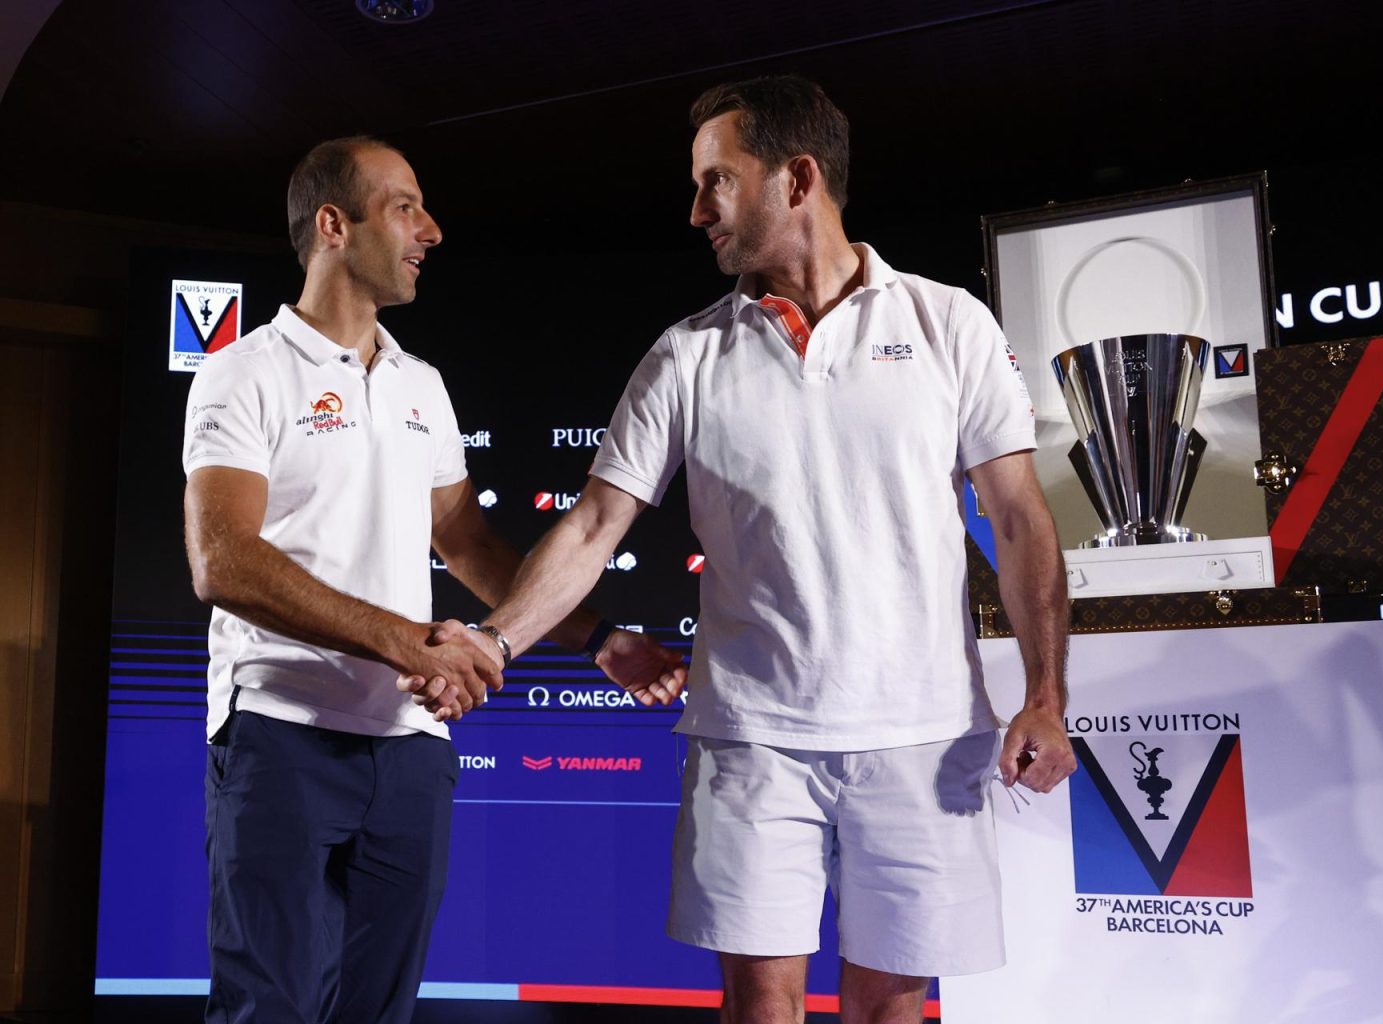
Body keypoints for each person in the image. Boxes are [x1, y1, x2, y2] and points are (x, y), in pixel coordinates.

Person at [407, 76, 1075, 1024]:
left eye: (716, 181)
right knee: (759, 1006)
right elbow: (596, 524)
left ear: (797, 178)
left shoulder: (948, 321)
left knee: (891, 1007)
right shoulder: (684, 355)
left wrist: (1046, 695)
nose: (695, 211)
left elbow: (1018, 518)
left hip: (926, 734)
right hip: (751, 740)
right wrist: (495, 641)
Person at [182, 135, 685, 1024]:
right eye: (406, 206)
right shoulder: (243, 370)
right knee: (273, 1011)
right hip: (280, 738)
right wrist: (408, 642)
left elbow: (465, 543)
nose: (433, 229)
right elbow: (223, 560)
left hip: (411, 749)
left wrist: (596, 638)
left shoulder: (422, 383)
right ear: (334, 225)